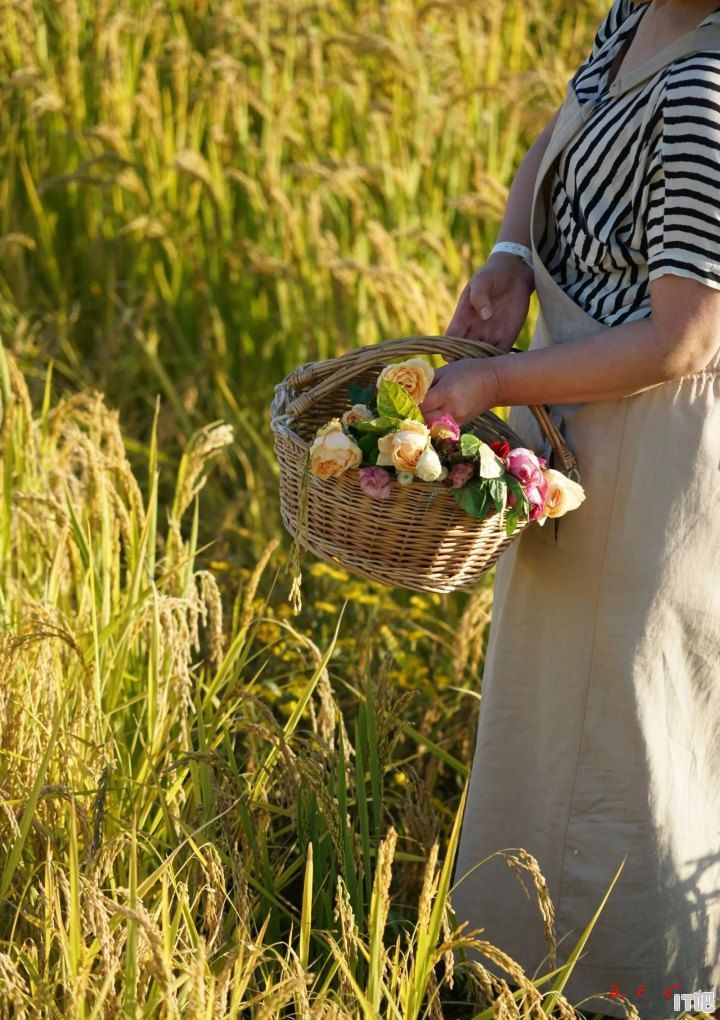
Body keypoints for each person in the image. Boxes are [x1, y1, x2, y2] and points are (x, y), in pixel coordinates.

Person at [417, 2, 720, 1017]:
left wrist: (500, 379)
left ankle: (636, 995)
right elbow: (561, 135)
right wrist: (510, 259)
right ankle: (512, 979)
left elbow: (685, 340)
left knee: (628, 732)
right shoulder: (638, 13)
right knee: (552, 719)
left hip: (652, 449)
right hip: (575, 411)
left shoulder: (708, 87)